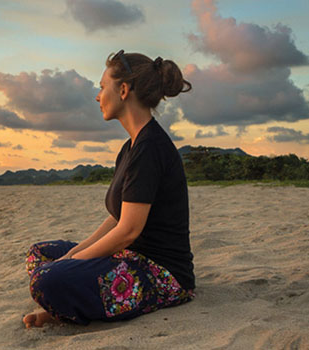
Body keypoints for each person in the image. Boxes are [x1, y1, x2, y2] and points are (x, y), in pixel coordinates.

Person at [23, 50, 195, 328]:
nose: (97, 96)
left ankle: (64, 309)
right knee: (40, 254)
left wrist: (71, 263)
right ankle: (66, 306)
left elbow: (128, 231)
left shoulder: (150, 147)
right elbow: (117, 219)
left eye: (103, 87)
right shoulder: (131, 147)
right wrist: (72, 255)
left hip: (161, 274)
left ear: (123, 90)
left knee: (48, 279)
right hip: (127, 257)